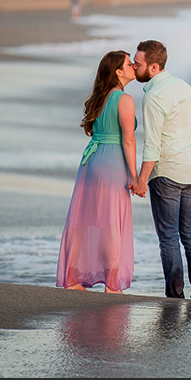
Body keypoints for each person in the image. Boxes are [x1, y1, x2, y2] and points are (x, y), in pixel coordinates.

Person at [130, 40, 191, 300]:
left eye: (138, 63)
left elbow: (153, 144)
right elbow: (190, 129)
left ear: (154, 67)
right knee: (190, 234)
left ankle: (175, 295)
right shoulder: (183, 86)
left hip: (167, 173)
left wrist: (142, 180)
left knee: (168, 237)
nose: (134, 66)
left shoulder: (154, 97)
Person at [56, 51, 138, 293]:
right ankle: (112, 284)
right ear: (118, 72)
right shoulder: (124, 99)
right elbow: (129, 140)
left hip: (91, 161)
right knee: (112, 222)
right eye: (128, 63)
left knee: (84, 220)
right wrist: (134, 175)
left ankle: (71, 279)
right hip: (112, 162)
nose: (133, 65)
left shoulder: (100, 97)